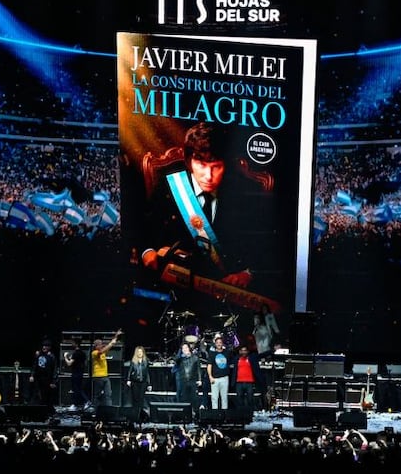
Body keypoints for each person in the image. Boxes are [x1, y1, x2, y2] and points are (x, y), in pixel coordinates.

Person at [139, 121, 278, 297]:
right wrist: (147, 251)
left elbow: (265, 245)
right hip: (177, 286)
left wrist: (248, 273)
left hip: (226, 289)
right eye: (201, 165)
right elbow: (143, 229)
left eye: (216, 166)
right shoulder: (169, 186)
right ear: (189, 161)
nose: (208, 176)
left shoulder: (245, 193)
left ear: (226, 165)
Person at [91, 330, 122, 409]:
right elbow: (101, 351)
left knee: (108, 394)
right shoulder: (94, 353)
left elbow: (111, 345)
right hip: (98, 377)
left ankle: (109, 410)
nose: (101, 345)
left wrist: (116, 336)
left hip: (105, 376)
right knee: (97, 395)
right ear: (96, 346)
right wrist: (110, 344)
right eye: (100, 344)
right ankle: (96, 410)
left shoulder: (103, 352)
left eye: (101, 344)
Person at [173, 341, 203, 420]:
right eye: (183, 348)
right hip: (183, 381)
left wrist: (200, 379)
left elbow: (198, 369)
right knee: (184, 399)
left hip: (192, 381)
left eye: (186, 348)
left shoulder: (195, 358)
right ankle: (185, 417)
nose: (185, 349)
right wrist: (180, 352)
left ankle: (196, 416)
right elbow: (176, 359)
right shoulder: (180, 359)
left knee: (194, 399)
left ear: (189, 348)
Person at [125, 345, 153, 424]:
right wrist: (128, 380)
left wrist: (149, 384)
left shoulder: (145, 362)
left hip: (143, 383)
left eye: (141, 352)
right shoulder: (133, 362)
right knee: (135, 400)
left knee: (141, 399)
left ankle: (140, 416)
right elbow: (130, 371)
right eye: (138, 352)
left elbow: (147, 374)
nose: (140, 353)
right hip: (135, 383)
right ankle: (135, 416)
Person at [205, 334, 232, 411]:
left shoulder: (227, 353)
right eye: (217, 343)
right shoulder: (212, 354)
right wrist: (210, 376)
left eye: (220, 342)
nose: (219, 344)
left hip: (224, 378)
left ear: (222, 343)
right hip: (215, 379)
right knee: (214, 398)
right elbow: (209, 366)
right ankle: (215, 414)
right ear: (215, 344)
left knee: (224, 398)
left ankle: (225, 415)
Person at [232, 344, 262, 413]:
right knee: (239, 399)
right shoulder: (237, 359)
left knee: (250, 399)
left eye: (245, 350)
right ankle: (240, 414)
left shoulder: (251, 358)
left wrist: (272, 350)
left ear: (247, 351)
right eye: (242, 351)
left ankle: (250, 414)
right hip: (239, 382)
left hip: (249, 383)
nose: (243, 352)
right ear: (239, 351)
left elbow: (261, 355)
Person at [30, 339, 58, 412]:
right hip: (38, 378)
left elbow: (54, 369)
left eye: (46, 346)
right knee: (38, 394)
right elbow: (34, 365)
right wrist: (32, 375)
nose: (44, 347)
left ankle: (48, 411)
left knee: (47, 396)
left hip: (47, 379)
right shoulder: (39, 354)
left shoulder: (52, 356)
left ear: (49, 347)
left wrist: (53, 381)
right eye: (43, 346)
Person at [63, 338, 88, 409]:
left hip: (76, 373)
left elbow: (69, 363)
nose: (71, 344)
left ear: (76, 344)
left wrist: (65, 357)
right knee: (78, 388)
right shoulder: (83, 353)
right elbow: (85, 363)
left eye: (72, 343)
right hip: (80, 373)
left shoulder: (76, 353)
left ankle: (85, 401)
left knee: (76, 389)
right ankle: (77, 404)